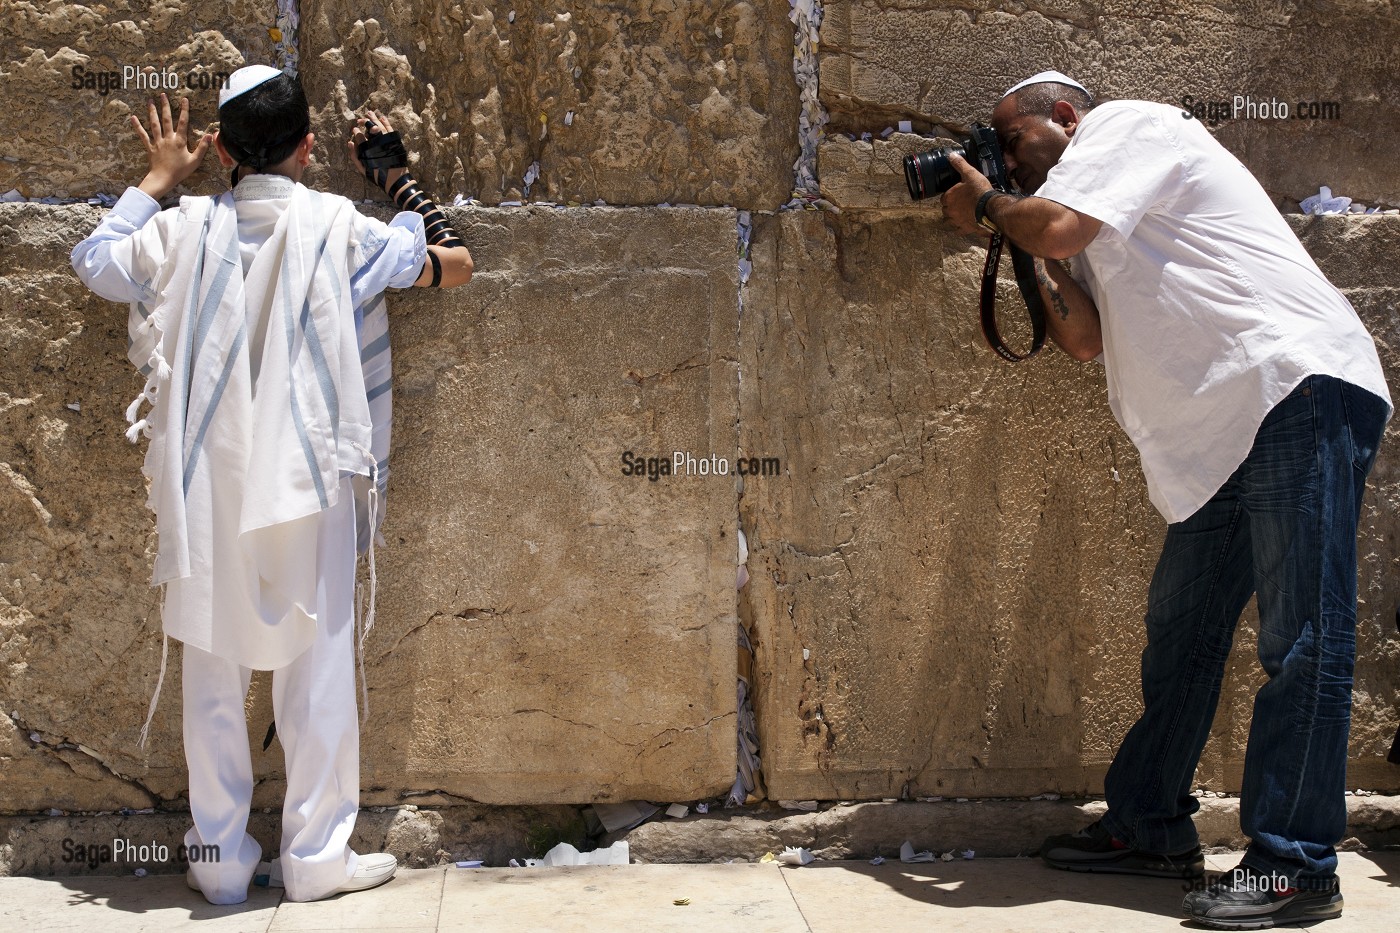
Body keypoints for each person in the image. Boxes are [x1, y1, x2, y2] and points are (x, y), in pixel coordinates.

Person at [941, 70, 1391, 929]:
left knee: (1304, 635)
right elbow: (1081, 339)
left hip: (1290, 384)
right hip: (1215, 436)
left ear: (1066, 117)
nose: (1005, 159)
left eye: (1012, 140)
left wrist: (995, 205)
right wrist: (1015, 236)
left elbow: (1056, 221)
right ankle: (1151, 823)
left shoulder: (1130, 128)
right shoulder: (1087, 210)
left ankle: (1296, 865)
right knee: (1180, 633)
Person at [71, 65, 473, 905]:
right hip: (313, 474)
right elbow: (454, 260)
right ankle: (317, 857)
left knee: (213, 663)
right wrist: (394, 174)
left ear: (220, 149)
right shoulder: (343, 230)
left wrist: (157, 177)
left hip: (209, 480)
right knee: (317, 665)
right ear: (309, 146)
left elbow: (95, 259)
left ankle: (217, 862)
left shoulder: (178, 230)